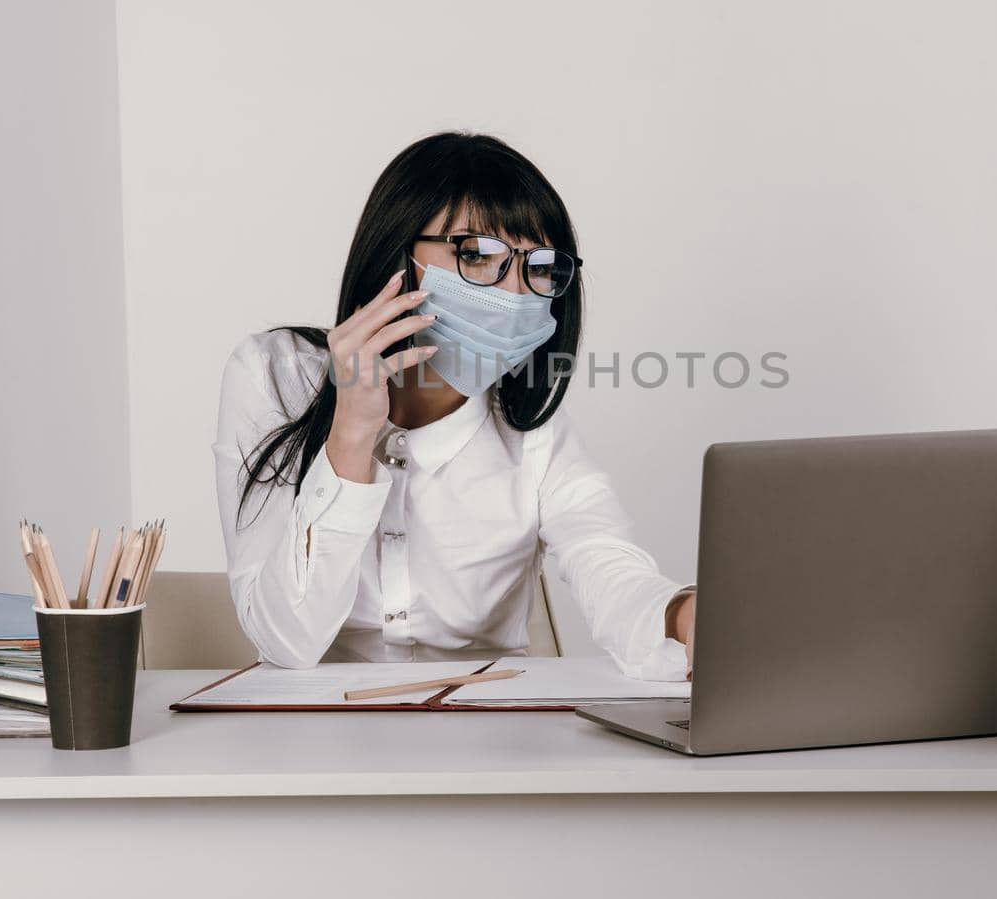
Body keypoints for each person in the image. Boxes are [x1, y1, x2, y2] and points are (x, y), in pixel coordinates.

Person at [213, 132, 695, 680]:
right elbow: (286, 641)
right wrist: (351, 432)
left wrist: (682, 615)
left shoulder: (529, 430)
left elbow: (605, 559)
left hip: (487, 741)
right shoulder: (276, 373)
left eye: (538, 267)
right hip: (312, 743)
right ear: (398, 252)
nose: (514, 294)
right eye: (478, 255)